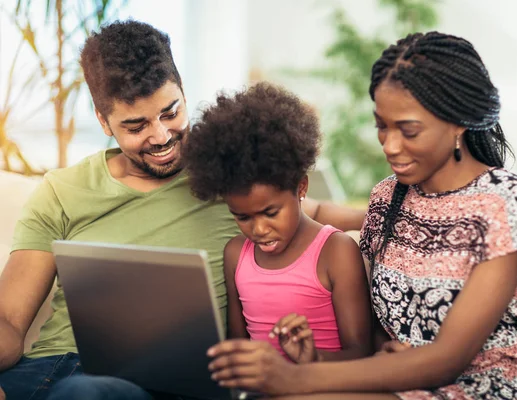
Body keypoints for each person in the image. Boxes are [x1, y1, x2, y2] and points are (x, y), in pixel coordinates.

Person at [0, 20, 365, 400]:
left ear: (184, 95)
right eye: (136, 125)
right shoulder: (60, 191)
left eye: (170, 113)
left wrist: (400, 209)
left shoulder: (228, 175)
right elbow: (9, 319)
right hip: (47, 370)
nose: (160, 136)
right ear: (103, 120)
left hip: (154, 384)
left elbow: (309, 208)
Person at [206, 31, 517, 399]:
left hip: (491, 388)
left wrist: (294, 378)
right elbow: (375, 327)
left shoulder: (506, 201)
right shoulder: (387, 198)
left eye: (408, 130)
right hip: (402, 382)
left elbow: (450, 358)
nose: (389, 146)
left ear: (458, 122)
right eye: (381, 125)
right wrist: (325, 359)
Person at [182, 82, 372, 364]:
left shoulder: (336, 251)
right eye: (242, 217)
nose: (258, 229)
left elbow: (362, 354)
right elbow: (240, 344)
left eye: (271, 213)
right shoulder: (236, 254)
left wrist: (312, 360)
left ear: (301, 188)